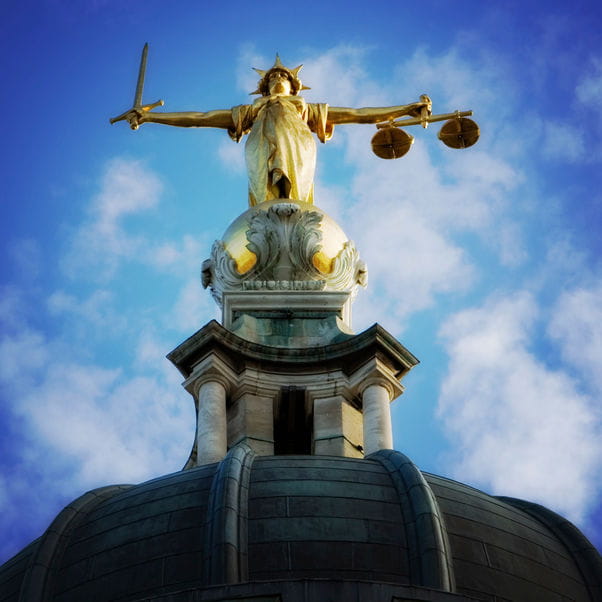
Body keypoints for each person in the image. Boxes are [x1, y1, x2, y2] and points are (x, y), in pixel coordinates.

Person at [127, 56, 431, 206]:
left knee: (294, 199)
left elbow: (358, 114)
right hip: (259, 143)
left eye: (282, 76)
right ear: (262, 88)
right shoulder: (252, 111)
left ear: (293, 84)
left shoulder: (305, 108)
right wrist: (154, 118)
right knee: (265, 200)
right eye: (271, 77)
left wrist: (405, 109)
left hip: (298, 144)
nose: (276, 78)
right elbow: (201, 117)